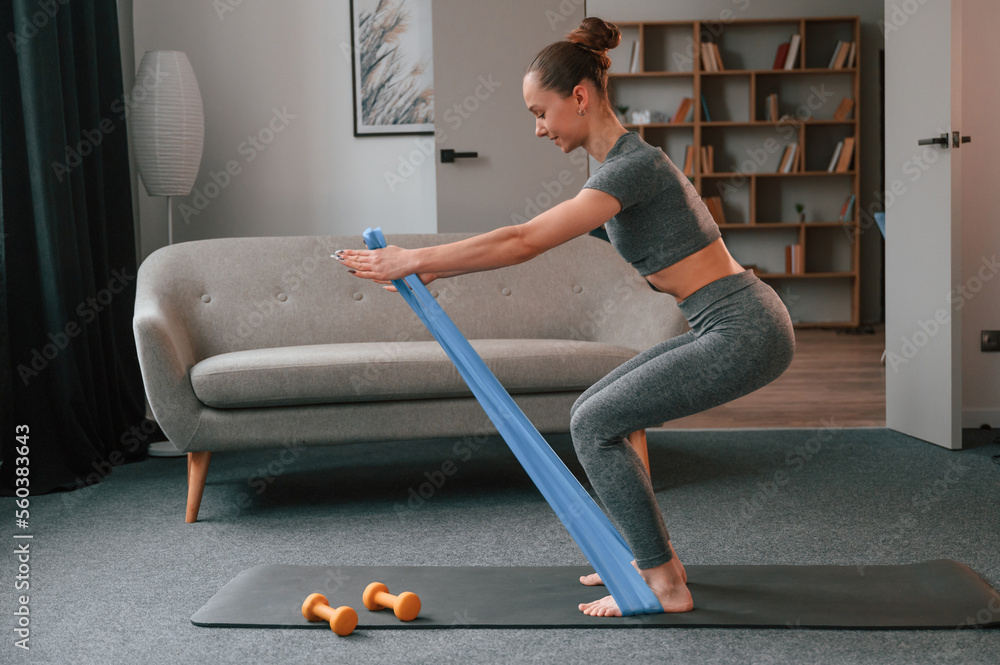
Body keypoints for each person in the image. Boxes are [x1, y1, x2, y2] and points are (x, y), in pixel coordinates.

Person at [336, 17, 795, 617]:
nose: (537, 128)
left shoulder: (634, 168)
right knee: (591, 413)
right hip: (722, 321)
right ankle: (655, 558)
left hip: (743, 328)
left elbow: (523, 239)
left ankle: (664, 586)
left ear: (579, 97)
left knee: (593, 424)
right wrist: (433, 271)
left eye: (540, 111)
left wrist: (417, 257)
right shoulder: (614, 174)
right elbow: (525, 242)